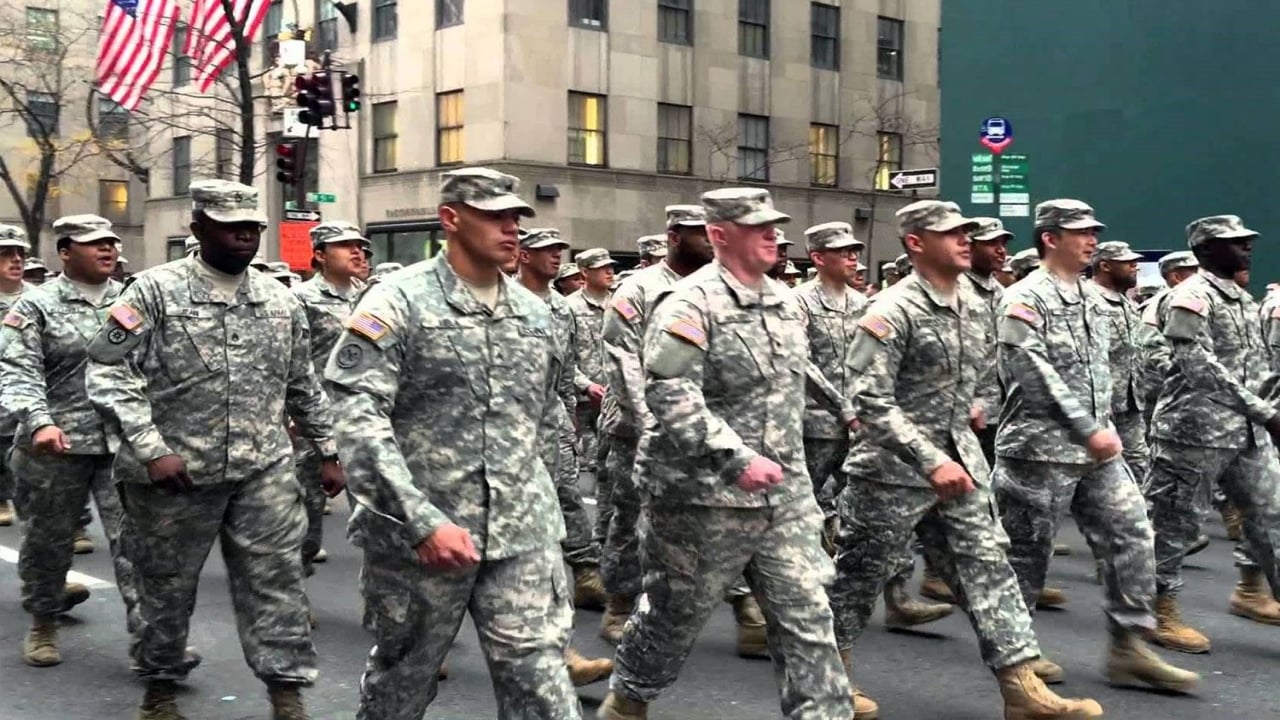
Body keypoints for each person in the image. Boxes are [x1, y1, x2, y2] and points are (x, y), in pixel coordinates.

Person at [325, 167, 581, 719]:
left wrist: (545, 501)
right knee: (404, 679)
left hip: (520, 531)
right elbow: (359, 420)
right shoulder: (398, 303)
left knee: (540, 677)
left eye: (516, 217)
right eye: (495, 216)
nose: (511, 229)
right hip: (424, 535)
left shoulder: (536, 315)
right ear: (451, 219)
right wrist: (418, 519)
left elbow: (540, 416)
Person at [832, 200, 1102, 720]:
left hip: (963, 469)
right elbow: (868, 401)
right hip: (892, 474)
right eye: (951, 232)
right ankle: (829, 677)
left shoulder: (980, 304)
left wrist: (979, 403)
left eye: (966, 232)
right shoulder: (890, 312)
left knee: (989, 569)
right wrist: (929, 458)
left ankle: (1021, 688)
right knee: (859, 579)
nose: (965, 239)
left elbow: (987, 371)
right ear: (916, 243)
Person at [85, 180, 344, 720]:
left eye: (253, 228)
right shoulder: (152, 292)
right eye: (232, 227)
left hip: (263, 469)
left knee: (277, 582)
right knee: (165, 586)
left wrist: (327, 447)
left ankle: (286, 693)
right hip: (174, 476)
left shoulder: (279, 299)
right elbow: (108, 372)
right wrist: (152, 448)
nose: (245, 236)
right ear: (199, 229)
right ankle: (159, 686)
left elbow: (303, 383)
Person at [601, 188, 853, 720]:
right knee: (674, 616)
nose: (773, 236)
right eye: (757, 227)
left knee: (807, 616)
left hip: (781, 498)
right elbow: (668, 389)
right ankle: (628, 699)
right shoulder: (690, 304)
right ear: (719, 235)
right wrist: (735, 459)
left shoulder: (784, 301)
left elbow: (797, 372)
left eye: (774, 227)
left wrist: (846, 409)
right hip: (701, 499)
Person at [993, 199, 1197, 693]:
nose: (1091, 240)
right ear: (1049, 238)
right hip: (1039, 449)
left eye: (1093, 232)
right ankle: (1018, 658)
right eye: (1080, 232)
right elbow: (1027, 367)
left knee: (1132, 533)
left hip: (1098, 450)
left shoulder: (1094, 297)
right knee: (1027, 556)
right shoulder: (1025, 297)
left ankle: (1129, 646)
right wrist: (1086, 425)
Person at [0, 216, 137, 668]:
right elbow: (17, 371)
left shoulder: (133, 301)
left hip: (124, 442)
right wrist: (39, 421)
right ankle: (43, 621)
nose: (108, 250)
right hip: (54, 446)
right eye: (94, 244)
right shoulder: (36, 305)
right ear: (65, 252)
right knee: (47, 541)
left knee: (139, 542)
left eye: (111, 243)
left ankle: (155, 638)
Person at [1145, 215, 1280, 650]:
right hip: (1194, 433)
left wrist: (1264, 415)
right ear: (1206, 251)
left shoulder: (1242, 300)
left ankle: (1256, 593)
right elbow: (1199, 367)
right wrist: (1265, 412)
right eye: (1235, 243)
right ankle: (1158, 612)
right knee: (1174, 526)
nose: (1247, 248)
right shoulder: (1190, 297)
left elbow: (1256, 369)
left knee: (1273, 518)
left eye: (1246, 241)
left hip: (1246, 435)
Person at [597, 205, 721, 646]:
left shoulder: (717, 289)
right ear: (673, 236)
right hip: (639, 428)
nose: (709, 239)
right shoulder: (639, 289)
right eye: (698, 233)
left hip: (698, 428)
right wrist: (651, 419)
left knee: (694, 521)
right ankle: (619, 602)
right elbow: (621, 357)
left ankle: (676, 605)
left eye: (711, 232)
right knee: (631, 518)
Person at [516, 226, 614, 684]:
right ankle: (418, 648)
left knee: (545, 535)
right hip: (494, 444)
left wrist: (569, 418)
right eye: (546, 250)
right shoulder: (502, 300)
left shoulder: (560, 309)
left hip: (548, 428)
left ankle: (560, 651)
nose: (556, 257)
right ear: (522, 255)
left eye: (560, 250)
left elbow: (564, 370)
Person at [291, 221, 368, 576]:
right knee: (306, 515)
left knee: (379, 516)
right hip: (314, 420)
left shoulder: (371, 297)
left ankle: (385, 598)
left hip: (365, 419)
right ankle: (296, 590)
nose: (357, 251)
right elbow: (293, 362)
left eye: (360, 246)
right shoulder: (300, 300)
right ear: (320, 255)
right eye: (345, 246)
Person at [566, 248, 615, 474]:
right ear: (585, 272)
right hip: (585, 400)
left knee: (615, 467)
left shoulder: (621, 303)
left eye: (610, 267)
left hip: (616, 398)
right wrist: (585, 385)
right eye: (602, 268)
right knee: (595, 465)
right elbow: (563, 355)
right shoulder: (569, 307)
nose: (609, 271)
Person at [0, 224, 36, 527]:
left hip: (32, 402)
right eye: (5, 254)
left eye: (19, 253)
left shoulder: (41, 300)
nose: (15, 260)